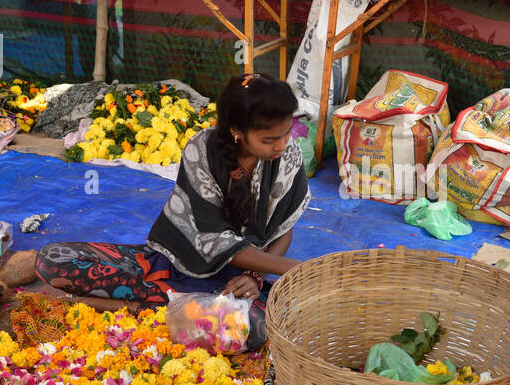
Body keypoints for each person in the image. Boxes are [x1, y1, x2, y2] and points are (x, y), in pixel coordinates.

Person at [35, 74, 310, 344]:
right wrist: (300, 269)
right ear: (237, 131)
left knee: (253, 328)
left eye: (286, 134)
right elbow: (215, 242)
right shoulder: (201, 151)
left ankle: (145, 308)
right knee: (53, 259)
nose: (281, 145)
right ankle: (168, 307)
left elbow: (283, 229)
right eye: (268, 140)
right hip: (178, 261)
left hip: (235, 281)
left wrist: (255, 277)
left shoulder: (289, 157)